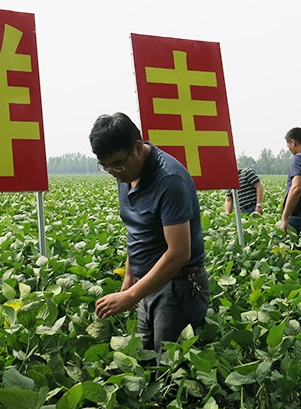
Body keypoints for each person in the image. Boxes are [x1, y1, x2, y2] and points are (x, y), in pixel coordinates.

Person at [89, 112, 210, 355]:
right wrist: (129, 279)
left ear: (137, 147)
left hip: (177, 289)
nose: (113, 172)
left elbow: (179, 253)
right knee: (146, 360)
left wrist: (131, 294)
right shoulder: (127, 175)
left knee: (170, 371)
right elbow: (137, 232)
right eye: (106, 167)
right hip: (148, 286)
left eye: (117, 164)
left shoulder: (169, 179)